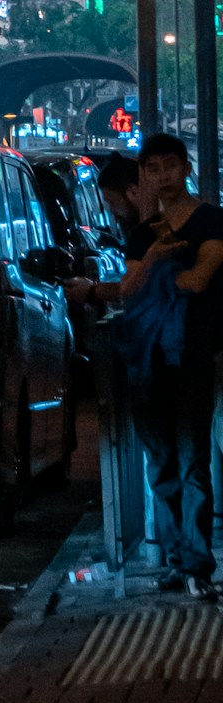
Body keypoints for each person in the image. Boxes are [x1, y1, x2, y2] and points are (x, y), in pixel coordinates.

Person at [126, 133, 223, 596]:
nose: (162, 176)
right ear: (144, 176)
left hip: (194, 358)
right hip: (149, 362)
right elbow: (128, 289)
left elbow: (201, 279)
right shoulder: (142, 235)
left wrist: (159, 276)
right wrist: (152, 263)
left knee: (192, 463)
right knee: (161, 463)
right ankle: (176, 561)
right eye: (152, 169)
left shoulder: (212, 220)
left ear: (186, 168)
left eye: (170, 166)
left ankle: (198, 566)